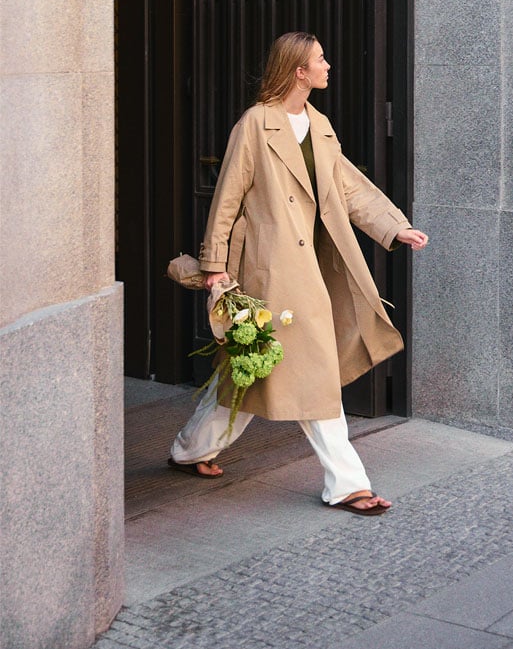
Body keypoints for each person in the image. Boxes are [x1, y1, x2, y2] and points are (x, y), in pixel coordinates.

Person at [168, 31, 429, 515]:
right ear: (298, 72)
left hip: (311, 266)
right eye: (320, 59)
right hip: (270, 270)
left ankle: (190, 449)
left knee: (250, 372)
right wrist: (214, 268)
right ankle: (348, 484)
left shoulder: (320, 125)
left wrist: (396, 227)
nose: (329, 65)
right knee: (311, 373)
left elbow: (350, 187)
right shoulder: (256, 124)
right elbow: (227, 196)